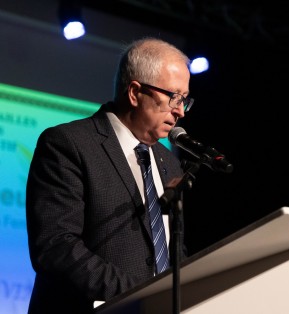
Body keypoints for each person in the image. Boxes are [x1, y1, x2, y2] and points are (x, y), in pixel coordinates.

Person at [25, 37, 193, 313]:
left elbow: (172, 247)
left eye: (185, 100)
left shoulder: (168, 163)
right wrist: (143, 295)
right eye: (174, 97)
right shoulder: (69, 144)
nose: (180, 111)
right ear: (135, 92)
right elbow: (56, 247)